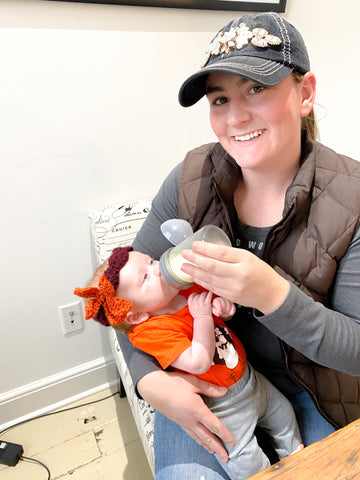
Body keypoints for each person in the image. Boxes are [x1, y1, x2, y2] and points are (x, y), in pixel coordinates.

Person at [117, 11, 360, 480]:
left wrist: (273, 295)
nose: (236, 117)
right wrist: (149, 381)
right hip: (206, 375)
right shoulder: (190, 179)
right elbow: (122, 294)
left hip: (313, 386)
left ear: (305, 94)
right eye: (220, 98)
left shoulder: (352, 199)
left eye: (257, 89)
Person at [74, 246, 303, 480]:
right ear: (136, 315)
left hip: (250, 379)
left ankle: (297, 457)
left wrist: (223, 310)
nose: (159, 269)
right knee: (246, 460)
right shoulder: (150, 331)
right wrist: (203, 316)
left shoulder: (183, 290)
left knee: (283, 414)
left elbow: (219, 316)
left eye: (152, 261)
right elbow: (198, 362)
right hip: (225, 405)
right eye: (145, 277)